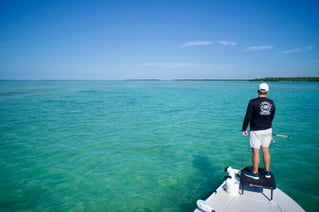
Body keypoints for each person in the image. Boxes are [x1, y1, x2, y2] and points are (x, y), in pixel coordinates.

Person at [242, 82, 275, 180]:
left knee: (256, 152)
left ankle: (255, 173)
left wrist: (244, 128)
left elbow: (248, 116)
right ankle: (267, 172)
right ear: (267, 91)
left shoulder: (252, 102)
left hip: (256, 131)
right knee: (266, 150)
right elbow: (272, 115)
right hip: (268, 129)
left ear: (258, 91)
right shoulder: (272, 102)